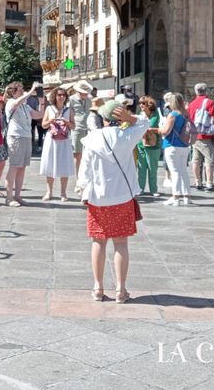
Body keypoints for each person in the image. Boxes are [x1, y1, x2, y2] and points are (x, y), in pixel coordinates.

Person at [76, 99, 150, 303]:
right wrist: (130, 118)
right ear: (120, 117)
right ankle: (120, 289)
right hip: (122, 196)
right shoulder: (127, 135)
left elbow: (85, 170)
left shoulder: (92, 139)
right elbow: (145, 122)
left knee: (98, 241)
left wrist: (82, 188)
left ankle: (97, 288)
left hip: (98, 197)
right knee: (121, 243)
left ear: (103, 118)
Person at [4, 81, 42, 206]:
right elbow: (16, 103)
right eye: (20, 90)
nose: (22, 92)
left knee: (22, 168)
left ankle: (17, 196)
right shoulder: (10, 102)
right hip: (16, 137)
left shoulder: (26, 106)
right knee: (14, 166)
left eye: (22, 89)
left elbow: (38, 115)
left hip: (26, 137)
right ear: (13, 92)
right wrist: (31, 91)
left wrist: (41, 102)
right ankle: (9, 197)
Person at [41, 86, 76, 200]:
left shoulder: (69, 110)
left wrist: (67, 123)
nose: (62, 97)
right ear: (54, 96)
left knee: (64, 165)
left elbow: (73, 126)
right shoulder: (49, 109)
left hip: (64, 140)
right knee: (50, 164)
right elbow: (43, 125)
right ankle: (49, 192)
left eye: (63, 95)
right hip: (51, 140)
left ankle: (63, 193)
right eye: (59, 95)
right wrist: (51, 120)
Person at [159, 92, 191, 206]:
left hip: (172, 145)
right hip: (184, 145)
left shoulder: (172, 115)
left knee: (175, 172)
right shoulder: (186, 114)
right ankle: (187, 197)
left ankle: (175, 197)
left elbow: (165, 131)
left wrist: (157, 129)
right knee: (183, 171)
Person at [187, 83, 214, 191]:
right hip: (206, 135)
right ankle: (209, 183)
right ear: (206, 91)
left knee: (196, 160)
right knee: (210, 160)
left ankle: (198, 182)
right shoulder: (209, 102)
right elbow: (213, 119)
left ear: (196, 91)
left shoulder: (192, 104)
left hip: (195, 135)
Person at [69, 80, 94, 190]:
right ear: (78, 92)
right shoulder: (71, 99)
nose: (85, 94)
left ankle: (87, 179)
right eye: (83, 92)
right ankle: (78, 180)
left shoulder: (89, 99)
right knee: (77, 154)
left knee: (88, 154)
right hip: (77, 128)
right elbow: (69, 114)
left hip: (88, 128)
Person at [135, 96, 161, 196]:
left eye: (143, 103)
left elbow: (149, 126)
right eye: (140, 103)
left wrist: (141, 126)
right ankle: (140, 189)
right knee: (141, 168)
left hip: (153, 146)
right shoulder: (140, 114)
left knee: (152, 168)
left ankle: (153, 190)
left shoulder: (155, 114)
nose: (141, 105)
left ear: (149, 105)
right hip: (141, 144)